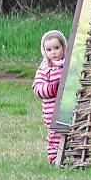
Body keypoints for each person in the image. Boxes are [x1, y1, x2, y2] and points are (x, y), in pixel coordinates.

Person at [32, 30, 67, 165]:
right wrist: (52, 88)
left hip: (68, 107)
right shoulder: (45, 68)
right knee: (55, 134)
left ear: (63, 47)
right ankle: (54, 159)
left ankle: (73, 157)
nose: (53, 52)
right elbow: (37, 88)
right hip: (51, 110)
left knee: (72, 132)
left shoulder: (67, 66)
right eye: (49, 49)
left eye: (57, 48)